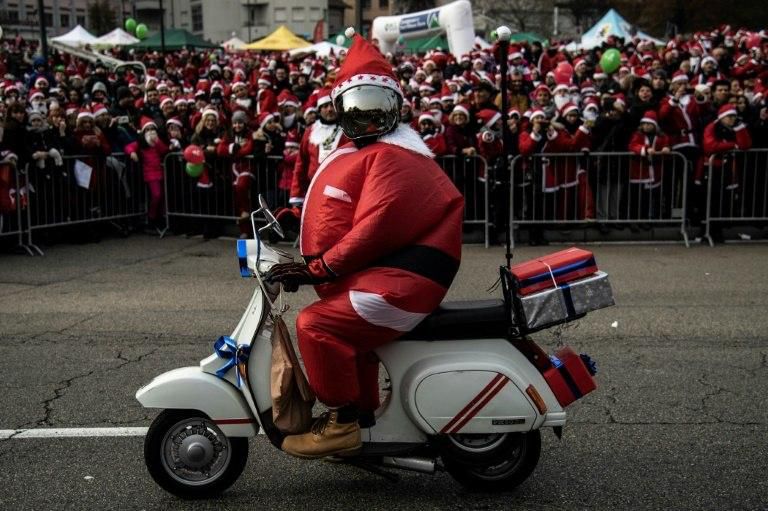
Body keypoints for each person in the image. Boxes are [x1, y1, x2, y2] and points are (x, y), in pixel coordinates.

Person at [266, 29, 464, 459]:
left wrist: (316, 268)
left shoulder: (394, 157)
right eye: (356, 109)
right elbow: (339, 210)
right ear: (338, 110)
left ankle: (342, 423)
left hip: (403, 280)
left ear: (397, 109)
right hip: (387, 274)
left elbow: (375, 227)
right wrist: (294, 220)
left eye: (377, 108)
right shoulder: (366, 151)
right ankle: (365, 415)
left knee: (316, 326)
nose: (368, 120)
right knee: (349, 335)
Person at [289, 89, 348, 206]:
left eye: (332, 105)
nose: (329, 109)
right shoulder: (310, 132)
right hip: (314, 189)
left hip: (341, 190)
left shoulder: (348, 131)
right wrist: (296, 194)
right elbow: (301, 164)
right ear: (319, 110)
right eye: (325, 106)